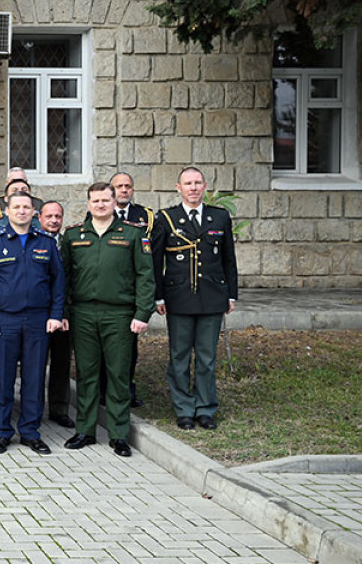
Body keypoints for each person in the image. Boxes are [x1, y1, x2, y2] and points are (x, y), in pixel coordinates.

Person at [60, 182, 154, 458]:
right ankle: (85, 430)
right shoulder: (73, 235)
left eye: (105, 200)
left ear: (115, 202)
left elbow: (145, 277)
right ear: (88, 203)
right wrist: (64, 312)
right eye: (95, 200)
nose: (100, 205)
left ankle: (118, 434)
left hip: (120, 315)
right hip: (83, 314)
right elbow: (64, 278)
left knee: (118, 374)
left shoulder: (134, 235)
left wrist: (142, 313)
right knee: (86, 374)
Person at [152, 166, 237, 431]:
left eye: (198, 183)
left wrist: (231, 294)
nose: (193, 188)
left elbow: (228, 260)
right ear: (178, 188)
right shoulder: (166, 218)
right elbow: (156, 262)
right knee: (178, 356)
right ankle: (184, 409)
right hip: (178, 298)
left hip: (212, 297)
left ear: (205, 186)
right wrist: (158, 297)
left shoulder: (220, 217)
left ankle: (205, 408)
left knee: (207, 357)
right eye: (188, 183)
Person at [0, 191, 65, 455]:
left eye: (26, 207)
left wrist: (55, 315)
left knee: (34, 377)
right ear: (6, 211)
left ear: (34, 213)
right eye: (16, 207)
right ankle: (2, 432)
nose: (21, 211)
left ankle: (30, 431)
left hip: (38, 320)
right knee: (2, 378)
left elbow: (58, 283)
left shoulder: (46, 243)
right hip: (5, 320)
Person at [106, 171, 153, 407]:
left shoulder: (146, 217)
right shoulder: (101, 213)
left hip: (132, 293)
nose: (124, 190)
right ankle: (106, 391)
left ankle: (128, 390)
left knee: (129, 349)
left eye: (128, 186)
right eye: (119, 186)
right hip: (110, 288)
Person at [38, 200, 74, 428]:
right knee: (36, 364)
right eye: (49, 216)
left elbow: (71, 282)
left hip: (65, 316)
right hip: (38, 314)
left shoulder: (70, 243)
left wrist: (64, 313)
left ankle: (59, 409)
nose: (53, 220)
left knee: (61, 363)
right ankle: (33, 409)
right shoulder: (34, 241)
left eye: (58, 216)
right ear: (39, 218)